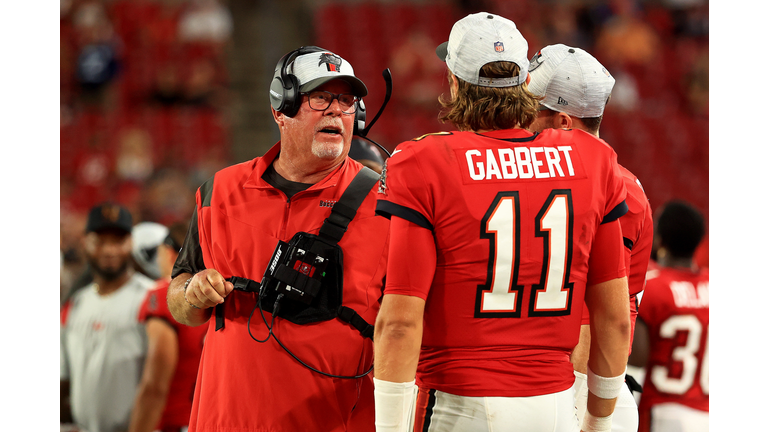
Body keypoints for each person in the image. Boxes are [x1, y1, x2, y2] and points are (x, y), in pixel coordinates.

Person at [373, 12, 631, 432]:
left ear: (454, 82)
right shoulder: (592, 158)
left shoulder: (423, 162)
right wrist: (599, 422)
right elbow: (615, 319)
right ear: (525, 83)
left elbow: (400, 322)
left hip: (459, 403)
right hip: (553, 406)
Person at [166, 46, 390, 432]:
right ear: (280, 108)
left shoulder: (389, 203)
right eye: (321, 97)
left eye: (347, 100)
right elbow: (178, 299)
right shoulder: (218, 192)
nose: (337, 110)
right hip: (223, 420)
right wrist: (192, 293)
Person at [527, 44, 654, 431]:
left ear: (562, 122)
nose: (522, 120)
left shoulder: (609, 189)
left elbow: (597, 320)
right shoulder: (617, 183)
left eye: (532, 109)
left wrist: (584, 413)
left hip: (579, 391)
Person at [60, 202, 155, 432]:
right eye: (100, 241)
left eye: (118, 241)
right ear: (85, 243)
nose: (109, 250)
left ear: (131, 243)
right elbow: (64, 379)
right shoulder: (76, 304)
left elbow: (161, 383)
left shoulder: (152, 298)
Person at [628, 200, 708, 432]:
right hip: (708, 412)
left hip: (663, 413)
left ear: (661, 239)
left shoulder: (652, 287)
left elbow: (636, 359)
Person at [129, 221, 207, 432]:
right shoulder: (221, 292)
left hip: (174, 422)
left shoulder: (162, 294)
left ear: (169, 252)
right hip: (209, 419)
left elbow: (154, 386)